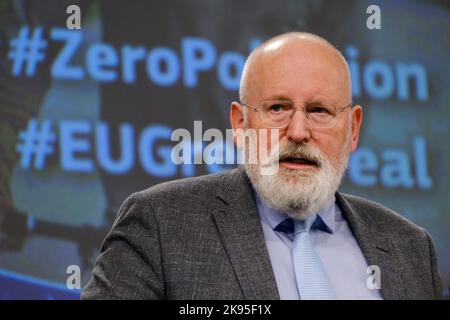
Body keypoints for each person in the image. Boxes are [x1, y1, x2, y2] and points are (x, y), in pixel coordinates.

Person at [82, 32, 442, 300]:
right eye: (277, 109)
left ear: (352, 129)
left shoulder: (409, 247)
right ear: (240, 125)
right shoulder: (161, 225)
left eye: (319, 111)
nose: (298, 132)